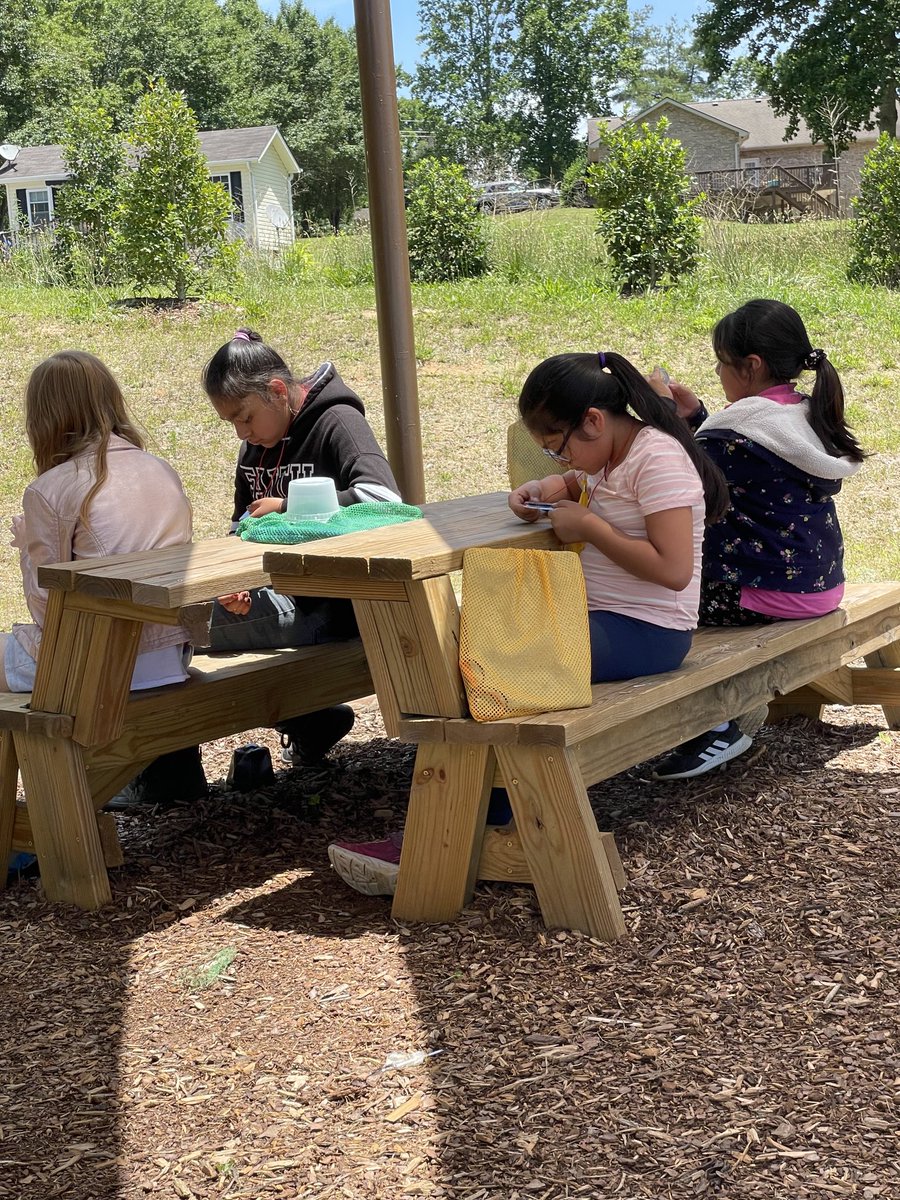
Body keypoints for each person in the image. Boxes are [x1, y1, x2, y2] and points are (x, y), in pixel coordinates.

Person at [326, 349, 730, 896]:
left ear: (593, 420)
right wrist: (546, 490)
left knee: (493, 674)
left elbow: (674, 570)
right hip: (599, 618)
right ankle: (468, 825)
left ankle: (448, 837)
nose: (559, 459)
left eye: (558, 447)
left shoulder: (657, 460)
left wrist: (590, 527)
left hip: (650, 631)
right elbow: (584, 482)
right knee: (478, 661)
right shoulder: (610, 455)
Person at [651, 298, 866, 780]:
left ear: (751, 366)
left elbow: (676, 475)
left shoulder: (739, 434)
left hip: (765, 591)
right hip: (819, 586)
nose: (717, 372)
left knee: (654, 603)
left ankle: (716, 724)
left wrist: (661, 414)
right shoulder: (800, 414)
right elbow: (728, 464)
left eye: (721, 363)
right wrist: (697, 417)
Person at [3, 351, 199, 823]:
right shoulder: (159, 468)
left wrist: (27, 547)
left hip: (99, 667)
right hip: (169, 655)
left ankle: (25, 824)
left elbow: (49, 610)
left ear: (43, 417)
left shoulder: (52, 489)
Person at [201, 329, 402, 765]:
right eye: (231, 423)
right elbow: (242, 528)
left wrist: (289, 506)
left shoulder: (338, 421)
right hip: (278, 596)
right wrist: (236, 584)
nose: (241, 433)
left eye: (245, 418)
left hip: (335, 604)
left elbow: (384, 500)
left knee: (178, 628)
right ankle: (310, 719)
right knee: (182, 618)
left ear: (277, 391)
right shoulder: (256, 446)